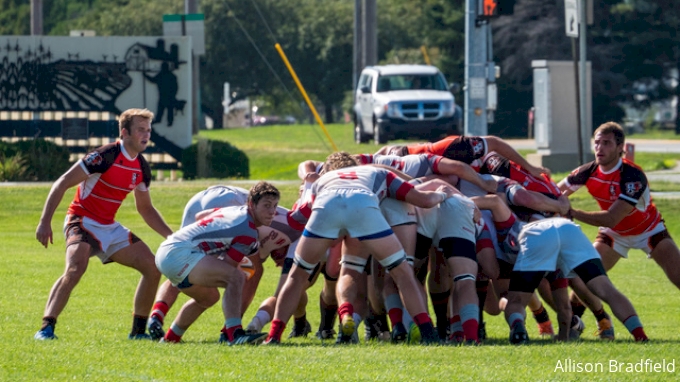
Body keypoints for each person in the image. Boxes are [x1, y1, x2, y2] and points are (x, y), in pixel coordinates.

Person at [263, 152, 454, 345]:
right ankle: (428, 332)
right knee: (402, 273)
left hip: (326, 206)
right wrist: (443, 193)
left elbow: (297, 217)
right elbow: (423, 200)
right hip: (363, 207)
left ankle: (274, 335)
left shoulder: (324, 180)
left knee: (297, 277)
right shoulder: (377, 172)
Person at [34, 108, 173, 340]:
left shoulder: (141, 167)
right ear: (124, 132)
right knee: (76, 267)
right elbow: (62, 183)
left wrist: (171, 237)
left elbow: (146, 209)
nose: (146, 134)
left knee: (152, 267)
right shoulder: (104, 155)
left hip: (108, 226)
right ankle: (46, 327)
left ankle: (138, 332)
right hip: (82, 220)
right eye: (140, 129)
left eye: (148, 130)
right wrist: (44, 221)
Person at [558, 121, 680, 326]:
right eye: (597, 143)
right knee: (585, 279)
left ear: (620, 147)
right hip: (614, 235)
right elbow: (555, 191)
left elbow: (611, 217)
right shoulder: (587, 171)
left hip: (649, 231)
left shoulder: (632, 176)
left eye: (606, 143)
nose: (599, 148)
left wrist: (571, 212)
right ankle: (576, 324)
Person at [155, 182, 280, 344]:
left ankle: (171, 338)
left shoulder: (235, 210)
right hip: (179, 253)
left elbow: (201, 216)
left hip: (168, 251)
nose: (272, 212)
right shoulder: (248, 230)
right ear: (252, 204)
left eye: (275, 206)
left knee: (209, 298)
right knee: (236, 277)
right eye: (266, 205)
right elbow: (230, 267)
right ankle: (234, 334)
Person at [501, 217, 649, 344]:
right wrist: (563, 338)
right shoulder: (553, 260)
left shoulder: (510, 246)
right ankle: (639, 334)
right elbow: (564, 306)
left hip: (535, 236)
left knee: (516, 301)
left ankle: (518, 328)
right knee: (607, 289)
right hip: (569, 229)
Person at [376, 134, 550, 179]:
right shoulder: (394, 155)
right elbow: (385, 150)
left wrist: (531, 168)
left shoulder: (454, 149)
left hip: (447, 153)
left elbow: (494, 143)